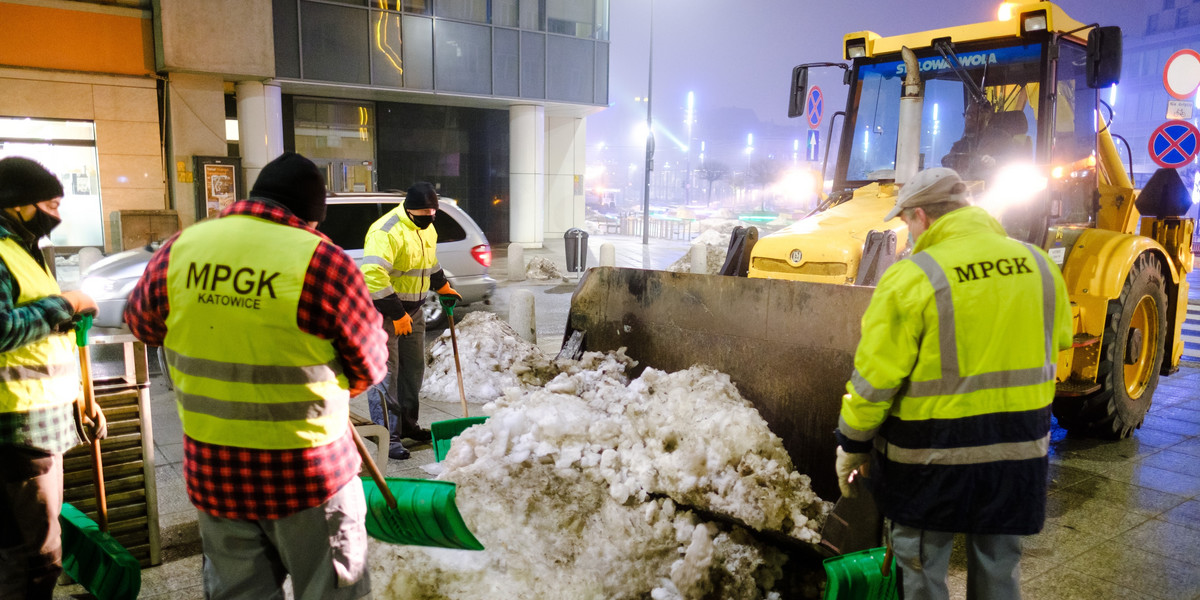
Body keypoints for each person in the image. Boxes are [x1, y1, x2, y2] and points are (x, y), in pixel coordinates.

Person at [124, 152, 387, 600]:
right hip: (308, 476)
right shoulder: (323, 262)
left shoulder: (182, 247)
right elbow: (370, 364)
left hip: (215, 472)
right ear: (312, 212)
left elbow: (143, 324)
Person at [835, 167, 1073, 599]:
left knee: (921, 571)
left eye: (906, 221)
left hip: (930, 460)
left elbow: (874, 382)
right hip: (1016, 454)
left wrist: (852, 444)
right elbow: (1061, 340)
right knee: (999, 570)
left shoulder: (912, 277)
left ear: (922, 216)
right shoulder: (1039, 265)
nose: (908, 232)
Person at [0, 157, 104, 599]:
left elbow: (45, 341)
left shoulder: (21, 249)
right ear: (19, 205)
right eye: (51, 203)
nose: (56, 215)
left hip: (38, 420)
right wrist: (68, 303)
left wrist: (82, 400)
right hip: (18, 428)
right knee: (34, 559)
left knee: (16, 551)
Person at [361, 181, 460, 460]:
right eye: (424, 212)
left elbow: (429, 261)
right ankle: (387, 436)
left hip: (414, 311)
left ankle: (408, 425)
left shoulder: (427, 228)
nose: (429, 217)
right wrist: (397, 314)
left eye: (433, 211)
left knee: (413, 370)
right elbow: (373, 276)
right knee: (386, 375)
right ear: (409, 209)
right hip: (384, 312)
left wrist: (441, 285)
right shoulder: (386, 231)